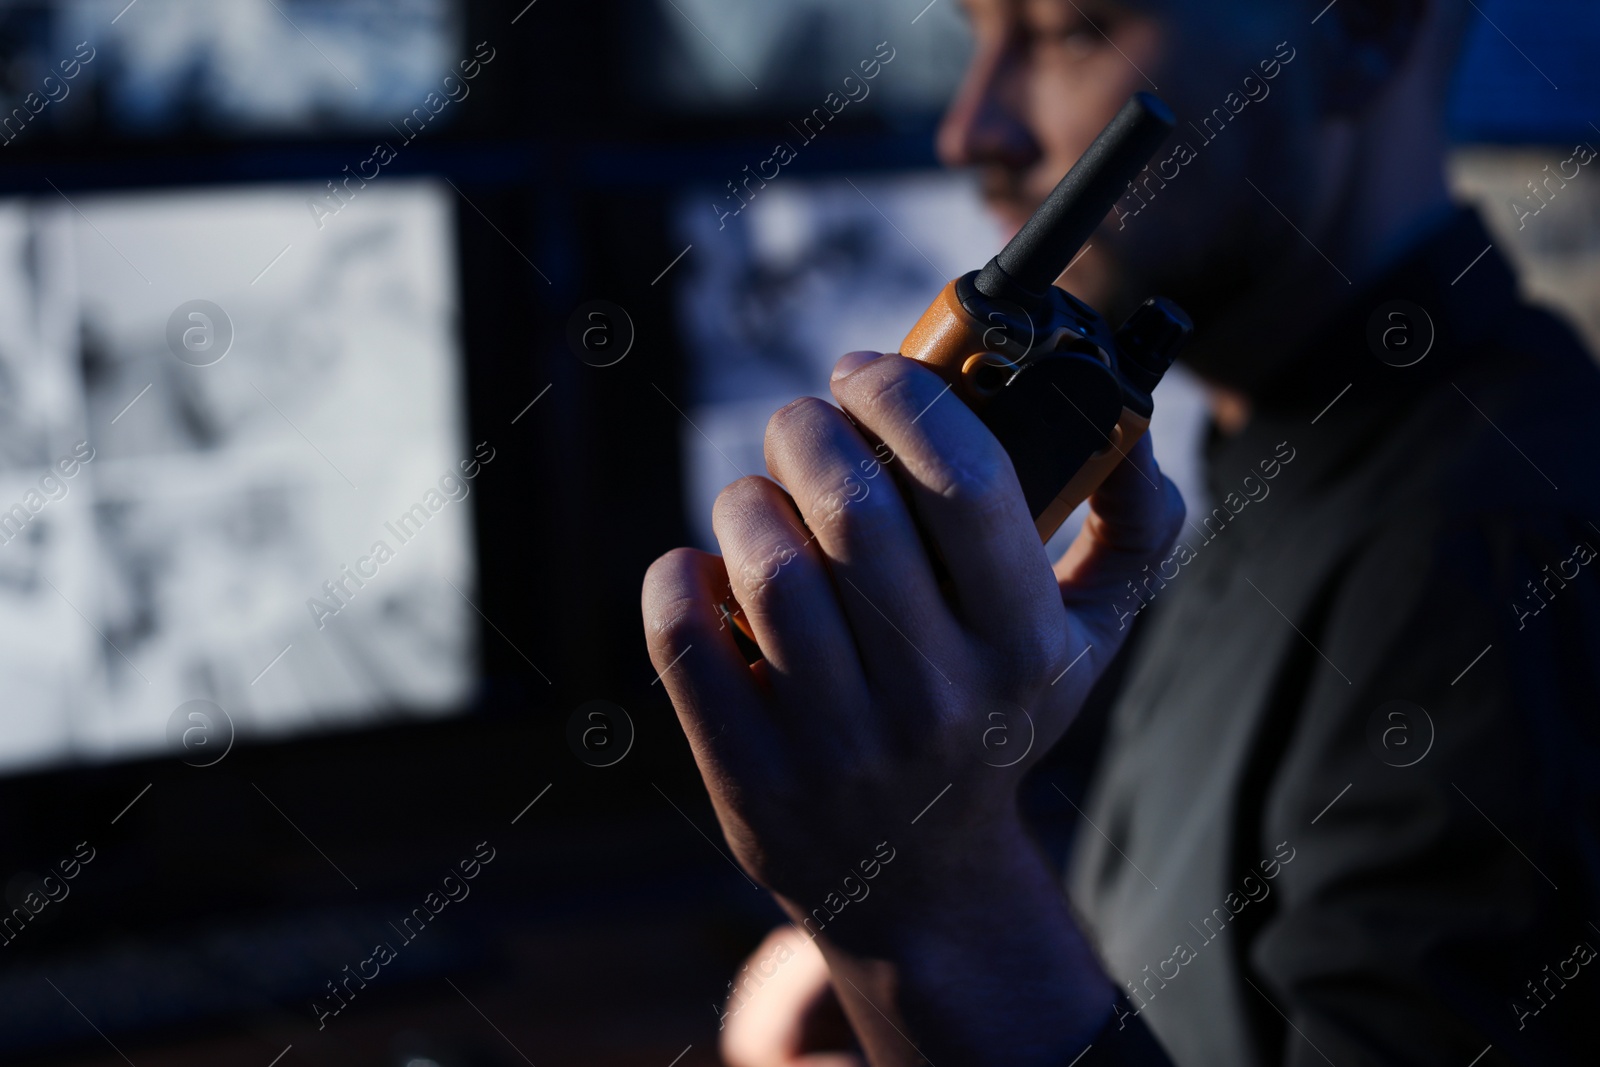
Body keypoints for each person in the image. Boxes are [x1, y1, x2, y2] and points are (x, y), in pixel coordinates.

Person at [641, 0, 1600, 1063]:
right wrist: (888, 986)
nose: (971, 131)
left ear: (1367, 30)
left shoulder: (1495, 547)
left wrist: (927, 904)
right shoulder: (1291, 458)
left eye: (1071, 29)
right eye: (976, 37)